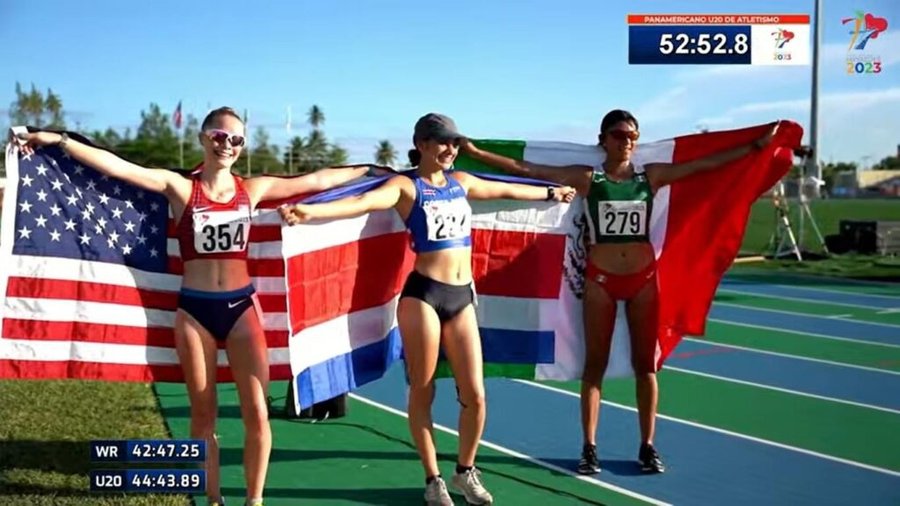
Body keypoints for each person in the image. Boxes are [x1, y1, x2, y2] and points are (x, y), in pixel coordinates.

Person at [12, 107, 386, 506]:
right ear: (204, 138)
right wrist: (58, 140)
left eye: (236, 139)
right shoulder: (179, 187)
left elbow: (316, 179)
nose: (227, 145)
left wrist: (371, 170)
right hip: (195, 312)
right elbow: (118, 168)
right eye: (219, 136)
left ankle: (254, 500)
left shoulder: (252, 189)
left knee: (257, 412)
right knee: (203, 414)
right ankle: (212, 498)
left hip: (241, 308)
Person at [280, 113, 575, 506]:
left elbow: (506, 189)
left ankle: (465, 471)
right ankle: (433, 478)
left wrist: (552, 193)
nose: (450, 149)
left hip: (461, 297)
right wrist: (309, 212)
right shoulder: (405, 186)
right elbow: (361, 202)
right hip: (424, 296)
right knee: (424, 389)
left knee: (476, 394)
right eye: (442, 142)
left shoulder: (461, 182)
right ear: (421, 144)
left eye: (454, 143)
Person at [461, 109, 778, 475]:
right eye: (618, 135)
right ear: (604, 140)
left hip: (643, 280)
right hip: (601, 282)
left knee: (646, 366)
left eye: (632, 136)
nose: (626, 141)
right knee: (594, 365)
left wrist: (754, 147)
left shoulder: (651, 176)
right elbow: (528, 169)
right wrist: (476, 153)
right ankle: (589, 447)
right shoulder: (588, 177)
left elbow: (703, 166)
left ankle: (648, 445)